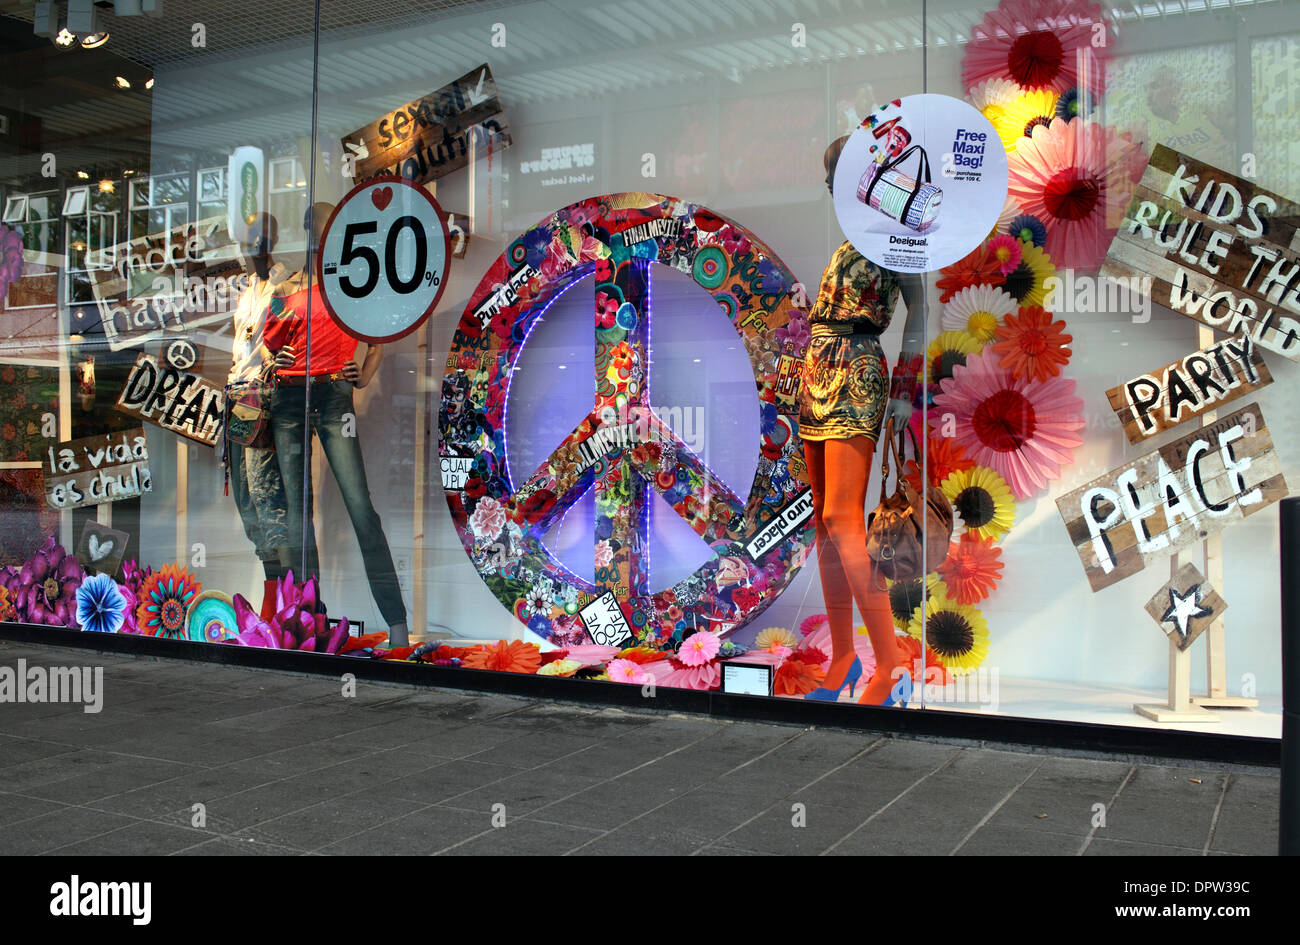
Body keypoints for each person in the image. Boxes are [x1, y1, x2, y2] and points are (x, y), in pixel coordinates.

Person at [799, 135, 925, 707]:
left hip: (856, 369)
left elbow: (921, 311)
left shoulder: (900, 236)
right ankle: (844, 656)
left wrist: (904, 388)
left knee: (841, 517)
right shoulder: (853, 240)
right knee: (824, 523)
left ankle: (892, 664)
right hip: (818, 368)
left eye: (839, 177)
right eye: (829, 180)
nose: (832, 189)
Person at [265, 202, 410, 647]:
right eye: (317, 229)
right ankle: (308, 625)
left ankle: (399, 627)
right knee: (297, 516)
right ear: (308, 232)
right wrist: (276, 358)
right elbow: (268, 345)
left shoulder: (352, 285)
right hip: (288, 397)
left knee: (361, 509)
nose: (321, 237)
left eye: (329, 229)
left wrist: (363, 374)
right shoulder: (285, 288)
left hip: (332, 396)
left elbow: (379, 338)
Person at [226, 212, 295, 620]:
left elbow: (286, 343)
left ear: (272, 237)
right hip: (237, 396)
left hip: (263, 398)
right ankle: (272, 590)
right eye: (247, 236)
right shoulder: (246, 288)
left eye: (260, 236)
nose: (252, 244)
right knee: (246, 501)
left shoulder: (284, 285)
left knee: (268, 496)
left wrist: (271, 375)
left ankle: (287, 604)